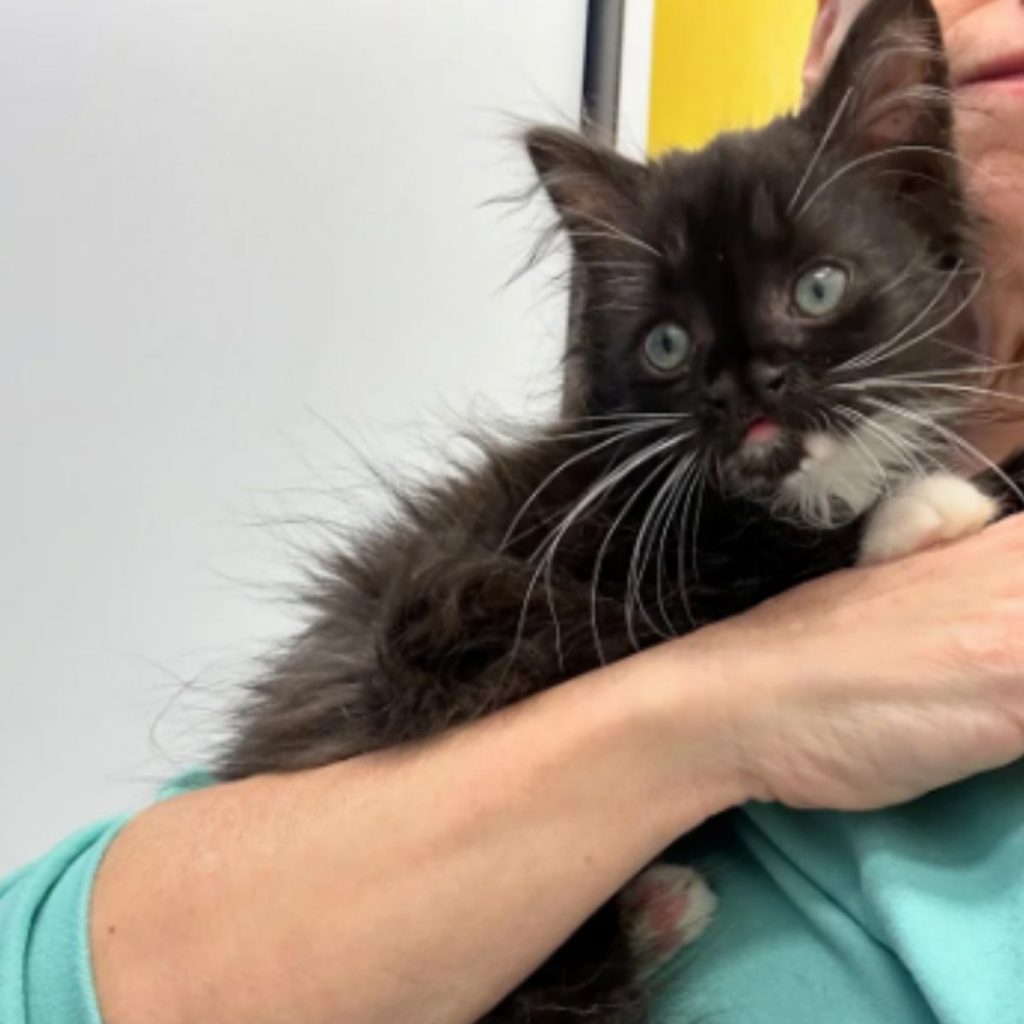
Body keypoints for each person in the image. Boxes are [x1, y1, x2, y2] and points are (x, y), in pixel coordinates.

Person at [4, 1, 1024, 1022]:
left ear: (907, 196)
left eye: (812, 291)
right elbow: (46, 972)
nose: (747, 377)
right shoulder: (604, 523)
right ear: (819, 53)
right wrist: (716, 713)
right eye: (669, 349)